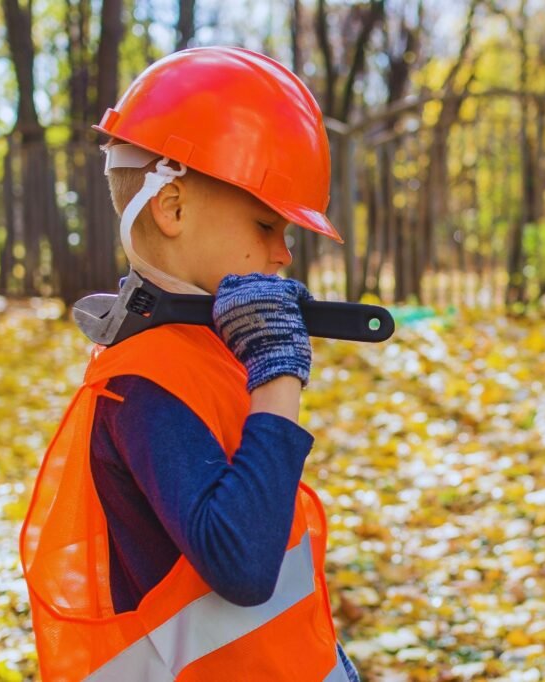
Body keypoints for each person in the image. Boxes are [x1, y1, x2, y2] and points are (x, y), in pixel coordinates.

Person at [19, 46, 359, 681]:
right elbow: (243, 564)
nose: (283, 253)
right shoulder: (143, 384)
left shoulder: (201, 347)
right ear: (171, 207)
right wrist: (279, 372)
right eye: (266, 224)